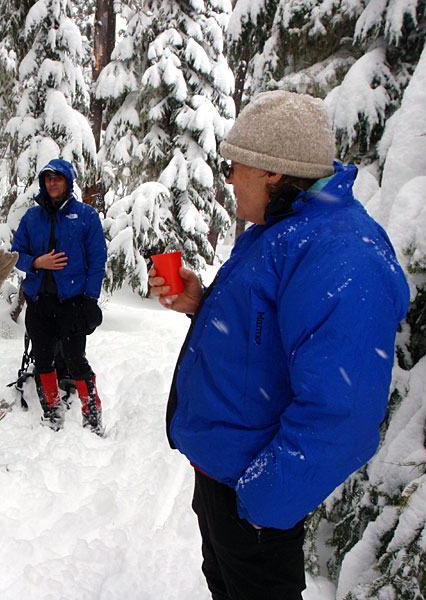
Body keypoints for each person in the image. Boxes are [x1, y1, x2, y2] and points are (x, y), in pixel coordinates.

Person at [149, 90, 410, 599]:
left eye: (233, 168)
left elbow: (343, 415)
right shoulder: (283, 230)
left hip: (255, 503)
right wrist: (200, 303)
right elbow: (265, 339)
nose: (227, 181)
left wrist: (261, 502)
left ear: (271, 173)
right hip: (224, 482)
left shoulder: (341, 253)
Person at [11, 159, 108, 435]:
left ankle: (92, 414)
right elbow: (16, 255)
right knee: (42, 359)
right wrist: (37, 262)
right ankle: (52, 410)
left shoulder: (87, 216)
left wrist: (90, 300)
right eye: (48, 178)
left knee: (76, 360)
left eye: (58, 178)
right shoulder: (32, 218)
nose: (52, 182)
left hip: (72, 303)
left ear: (68, 182)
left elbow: (97, 260)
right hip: (40, 301)